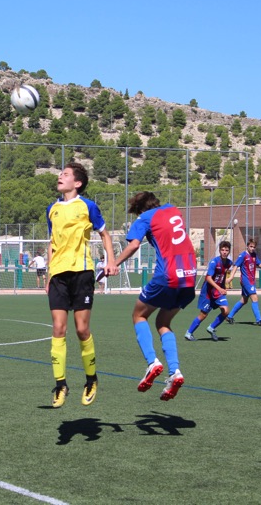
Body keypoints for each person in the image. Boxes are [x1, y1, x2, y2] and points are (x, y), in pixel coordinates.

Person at [45, 162, 116, 408]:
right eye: (60, 174)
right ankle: (60, 384)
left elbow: (105, 234)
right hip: (58, 276)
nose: (60, 177)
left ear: (77, 183)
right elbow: (52, 243)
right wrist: (48, 275)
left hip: (82, 273)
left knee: (82, 329)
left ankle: (91, 379)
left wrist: (111, 261)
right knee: (58, 328)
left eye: (65, 174)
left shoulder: (88, 206)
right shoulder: (51, 209)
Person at [113, 192, 195, 401]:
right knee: (163, 322)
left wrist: (113, 263)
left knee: (139, 316)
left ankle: (152, 363)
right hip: (189, 277)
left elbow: (133, 245)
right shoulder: (173, 210)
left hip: (166, 275)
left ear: (140, 209)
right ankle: (175, 372)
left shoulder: (145, 217)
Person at [185, 240, 233, 341]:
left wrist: (224, 286)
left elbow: (223, 276)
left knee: (226, 311)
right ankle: (189, 333)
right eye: (222, 250)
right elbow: (208, 278)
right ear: (219, 251)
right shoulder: (214, 262)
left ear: (229, 251)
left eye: (226, 250)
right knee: (203, 315)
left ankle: (211, 328)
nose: (224, 252)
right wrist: (220, 288)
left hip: (218, 292)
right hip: (208, 292)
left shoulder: (229, 263)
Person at [227, 239, 261, 326]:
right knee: (255, 298)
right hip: (246, 280)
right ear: (247, 246)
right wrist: (231, 277)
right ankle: (259, 320)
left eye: (254, 247)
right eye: (251, 246)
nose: (252, 248)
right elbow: (235, 266)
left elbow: (258, 264)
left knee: (244, 300)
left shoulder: (254, 255)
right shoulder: (243, 255)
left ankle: (229, 316)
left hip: (251, 281)